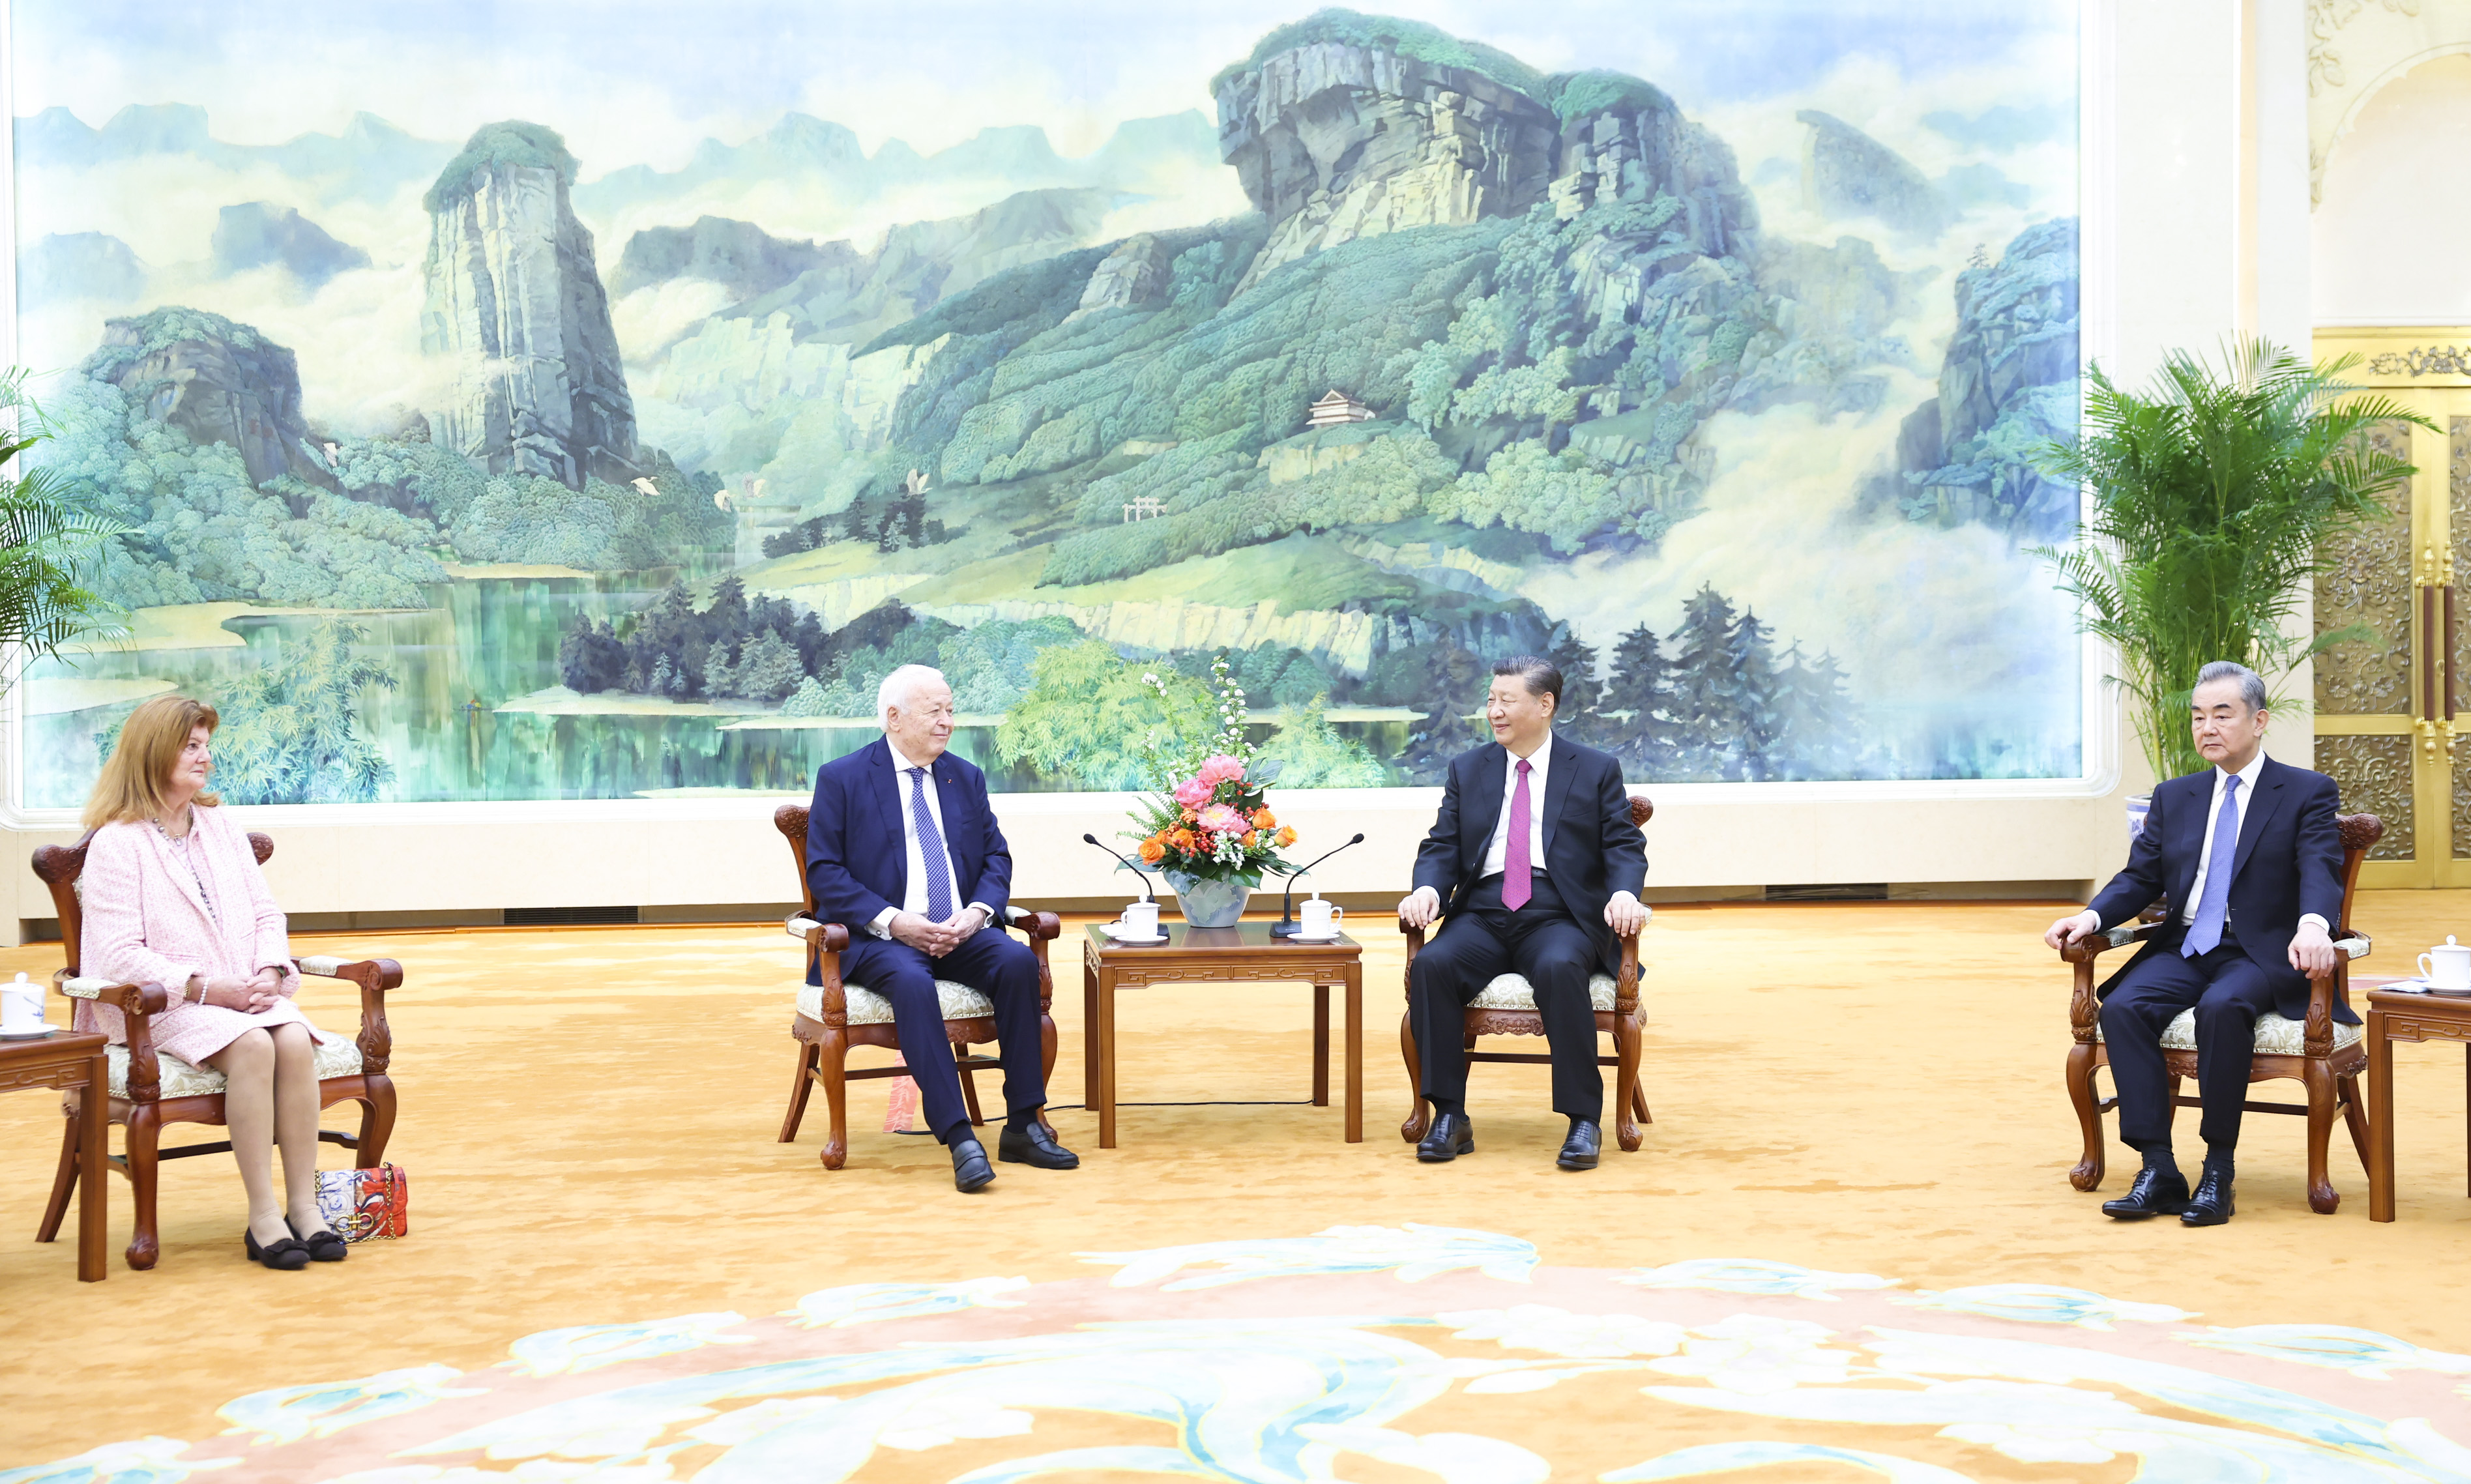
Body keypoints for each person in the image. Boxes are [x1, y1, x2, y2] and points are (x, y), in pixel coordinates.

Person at [2044, 660, 2347, 1228]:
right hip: (2185, 944)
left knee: (2222, 1007)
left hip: (2259, 951)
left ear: (2258, 721)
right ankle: (2158, 1168)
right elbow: (2140, 877)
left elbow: (2319, 867)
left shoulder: (2304, 791)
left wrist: (2313, 925)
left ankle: (2218, 1170)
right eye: (2198, 716)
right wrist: (2089, 916)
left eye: (2222, 715)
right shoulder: (2175, 795)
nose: (2207, 727)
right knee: (2125, 1007)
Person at [78, 694, 346, 1270]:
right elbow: (118, 954)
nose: (206, 757)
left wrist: (271, 971)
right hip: (158, 1006)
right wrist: (203, 987)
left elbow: (266, 913)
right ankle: (264, 1216)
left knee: (293, 1039)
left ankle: (305, 1206)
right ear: (154, 752)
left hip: (239, 995)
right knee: (254, 1046)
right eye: (191, 746)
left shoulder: (222, 826)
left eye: (205, 745)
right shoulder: (116, 842)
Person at [802, 663, 1077, 1191]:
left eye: (951, 710)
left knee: (1017, 961)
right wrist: (896, 921)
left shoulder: (963, 777)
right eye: (935, 711)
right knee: (911, 980)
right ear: (894, 717)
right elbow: (826, 873)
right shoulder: (843, 778)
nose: (948, 721)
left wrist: (977, 913)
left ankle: (1023, 1123)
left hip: (959, 930)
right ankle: (958, 1135)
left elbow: (996, 857)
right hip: (881, 936)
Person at [1397, 656, 1648, 1171]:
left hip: (1559, 912)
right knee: (1433, 965)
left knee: (1559, 967)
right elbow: (1443, 844)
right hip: (1483, 911)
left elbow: (1623, 845)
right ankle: (1449, 1114)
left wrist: (1624, 893)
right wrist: (1426, 888)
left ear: (1544, 704)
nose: (1493, 710)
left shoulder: (1594, 769)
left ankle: (1583, 1119)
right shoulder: (1468, 769)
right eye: (1490, 699)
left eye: (1505, 700)